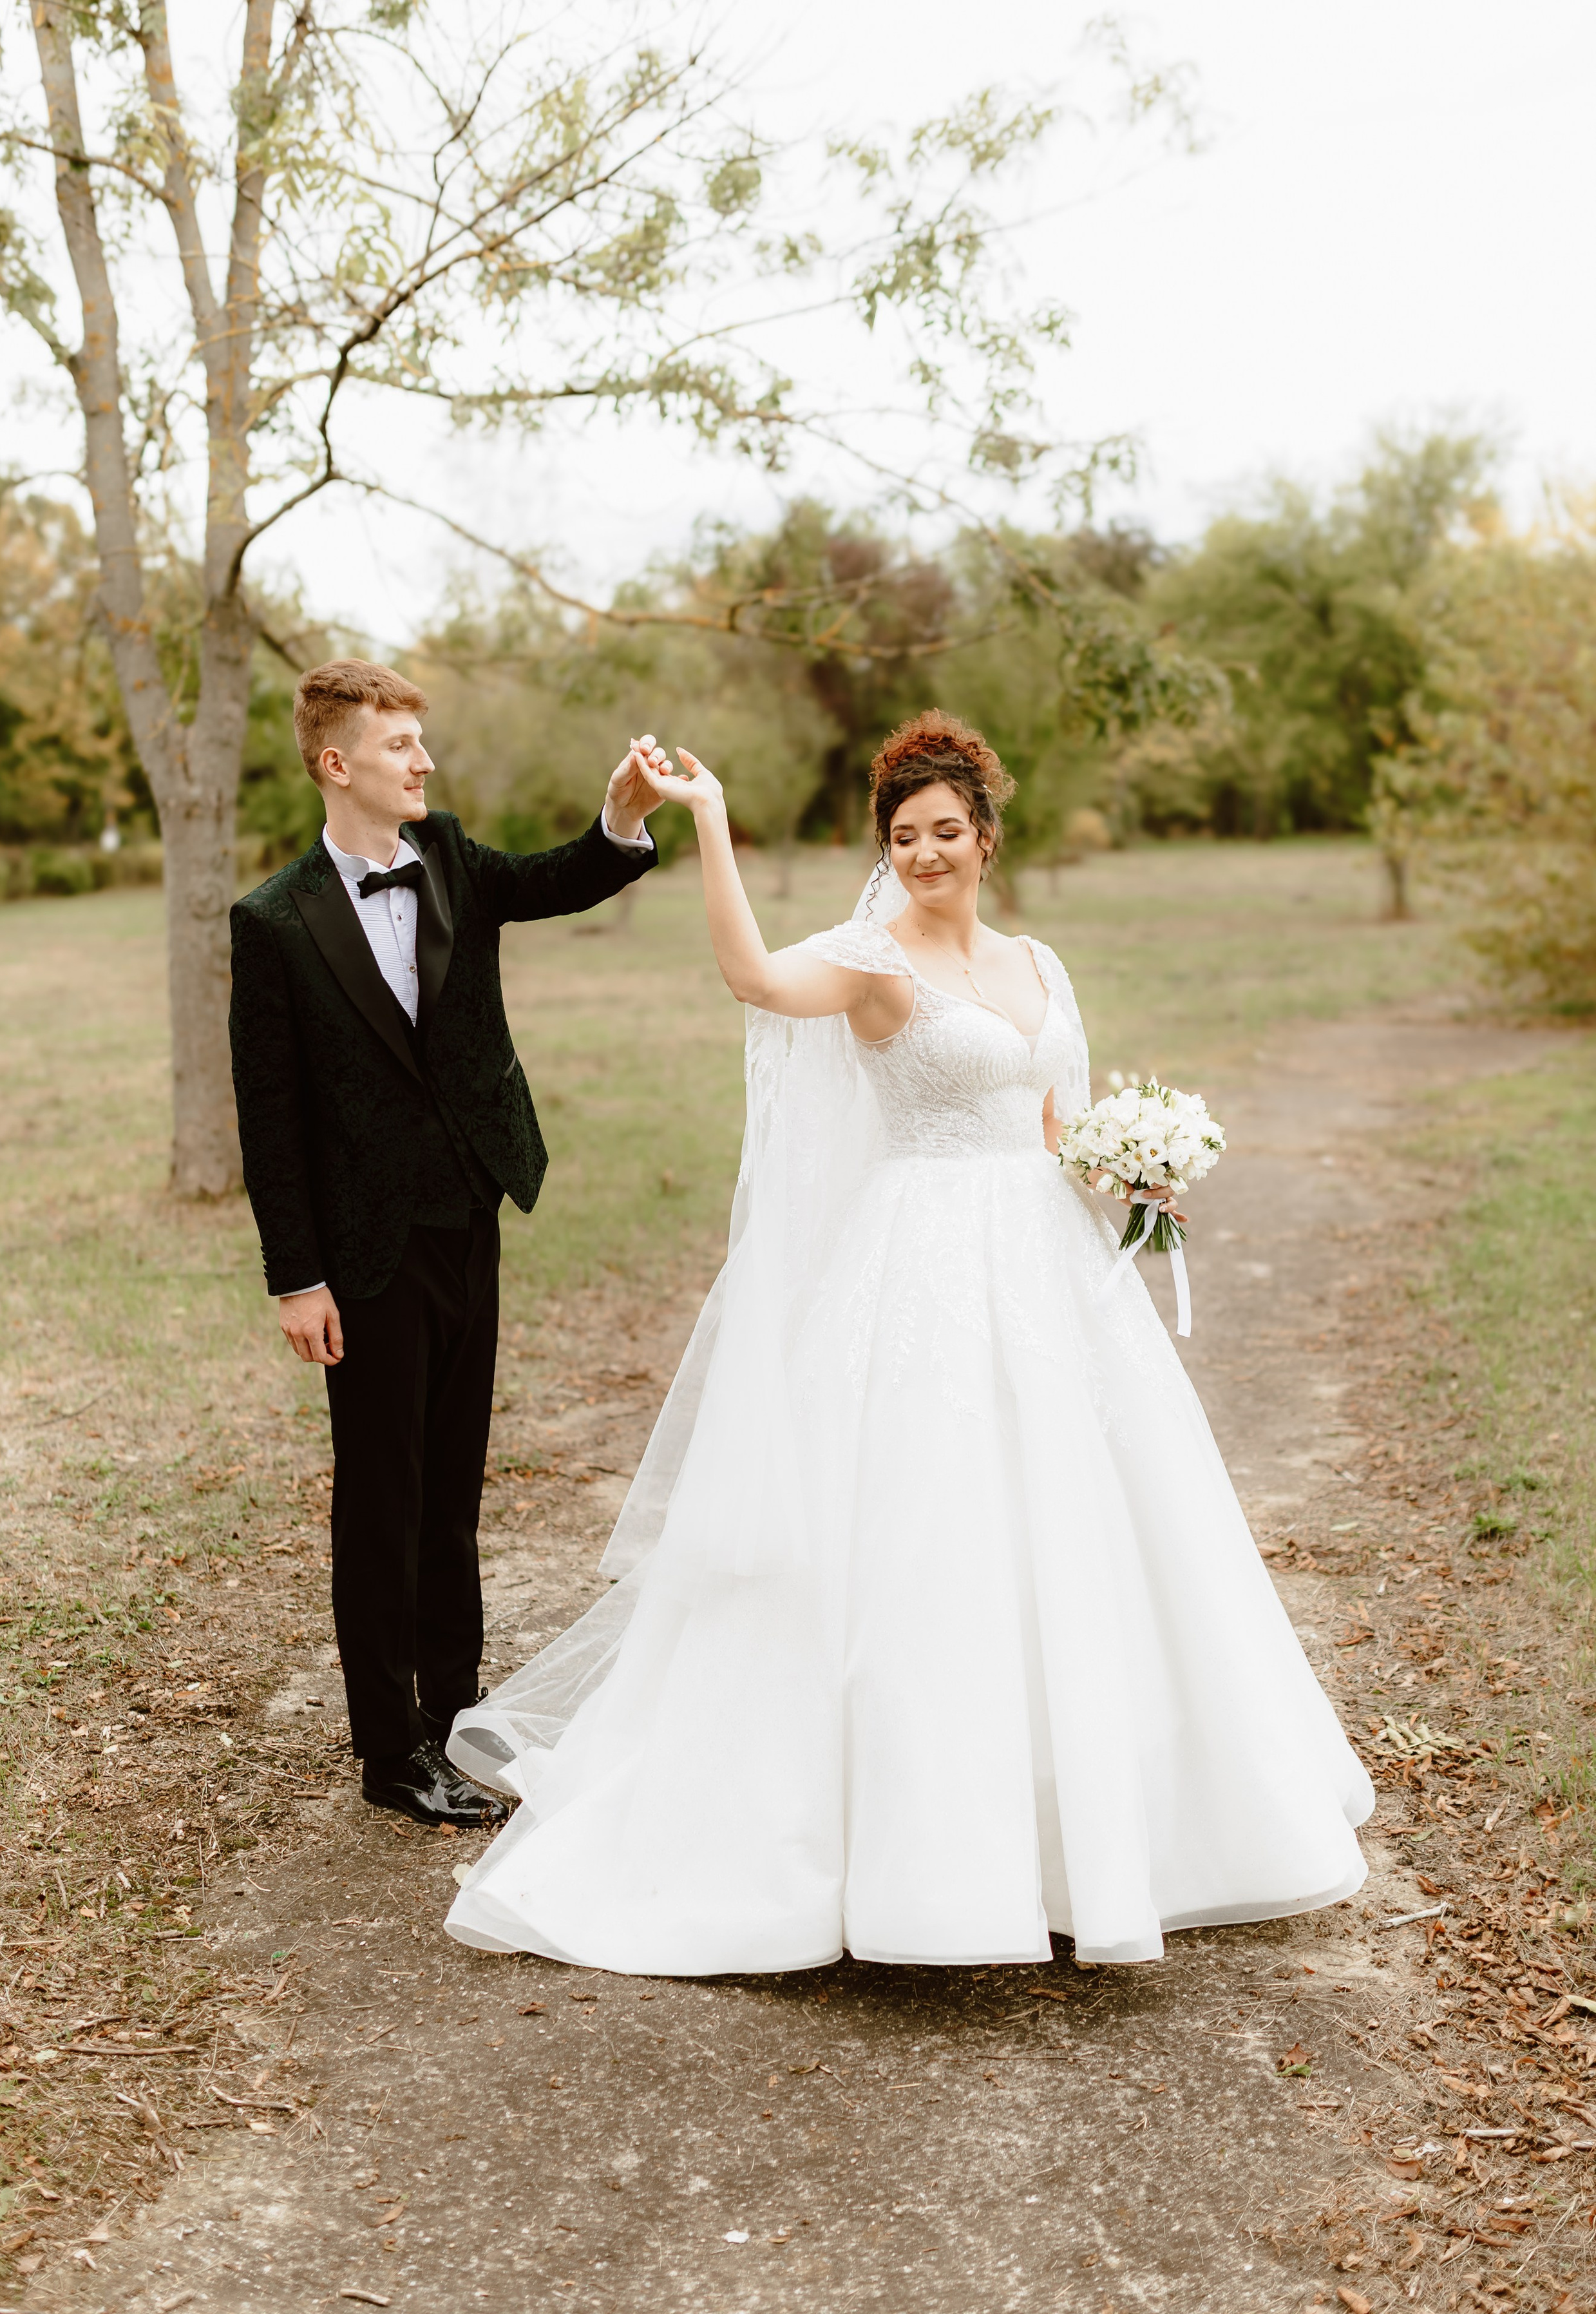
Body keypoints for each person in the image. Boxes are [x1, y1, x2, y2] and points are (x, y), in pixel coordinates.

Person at [443, 711, 1373, 1969]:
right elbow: (754, 981)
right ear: (885, 847)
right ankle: (912, 1855)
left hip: (1045, 1269)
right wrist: (709, 819)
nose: (926, 852)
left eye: (946, 831)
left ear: (984, 839)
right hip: (919, 1274)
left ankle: (1100, 1832)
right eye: (903, 835)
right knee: (924, 1539)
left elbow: (1053, 1118)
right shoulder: (870, 966)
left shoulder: (1040, 963)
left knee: (1084, 1531)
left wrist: (1129, 1175)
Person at [228, 659, 664, 1828]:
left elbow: (567, 877)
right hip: (362, 1252)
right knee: (382, 1497)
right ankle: (389, 1751)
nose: (423, 761)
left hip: (469, 1216)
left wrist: (620, 814)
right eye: (400, 745)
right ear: (337, 763)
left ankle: (456, 1714)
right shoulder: (272, 923)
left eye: (422, 742)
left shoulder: (458, 861)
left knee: (453, 1486)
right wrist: (296, 1277)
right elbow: (267, 1119)